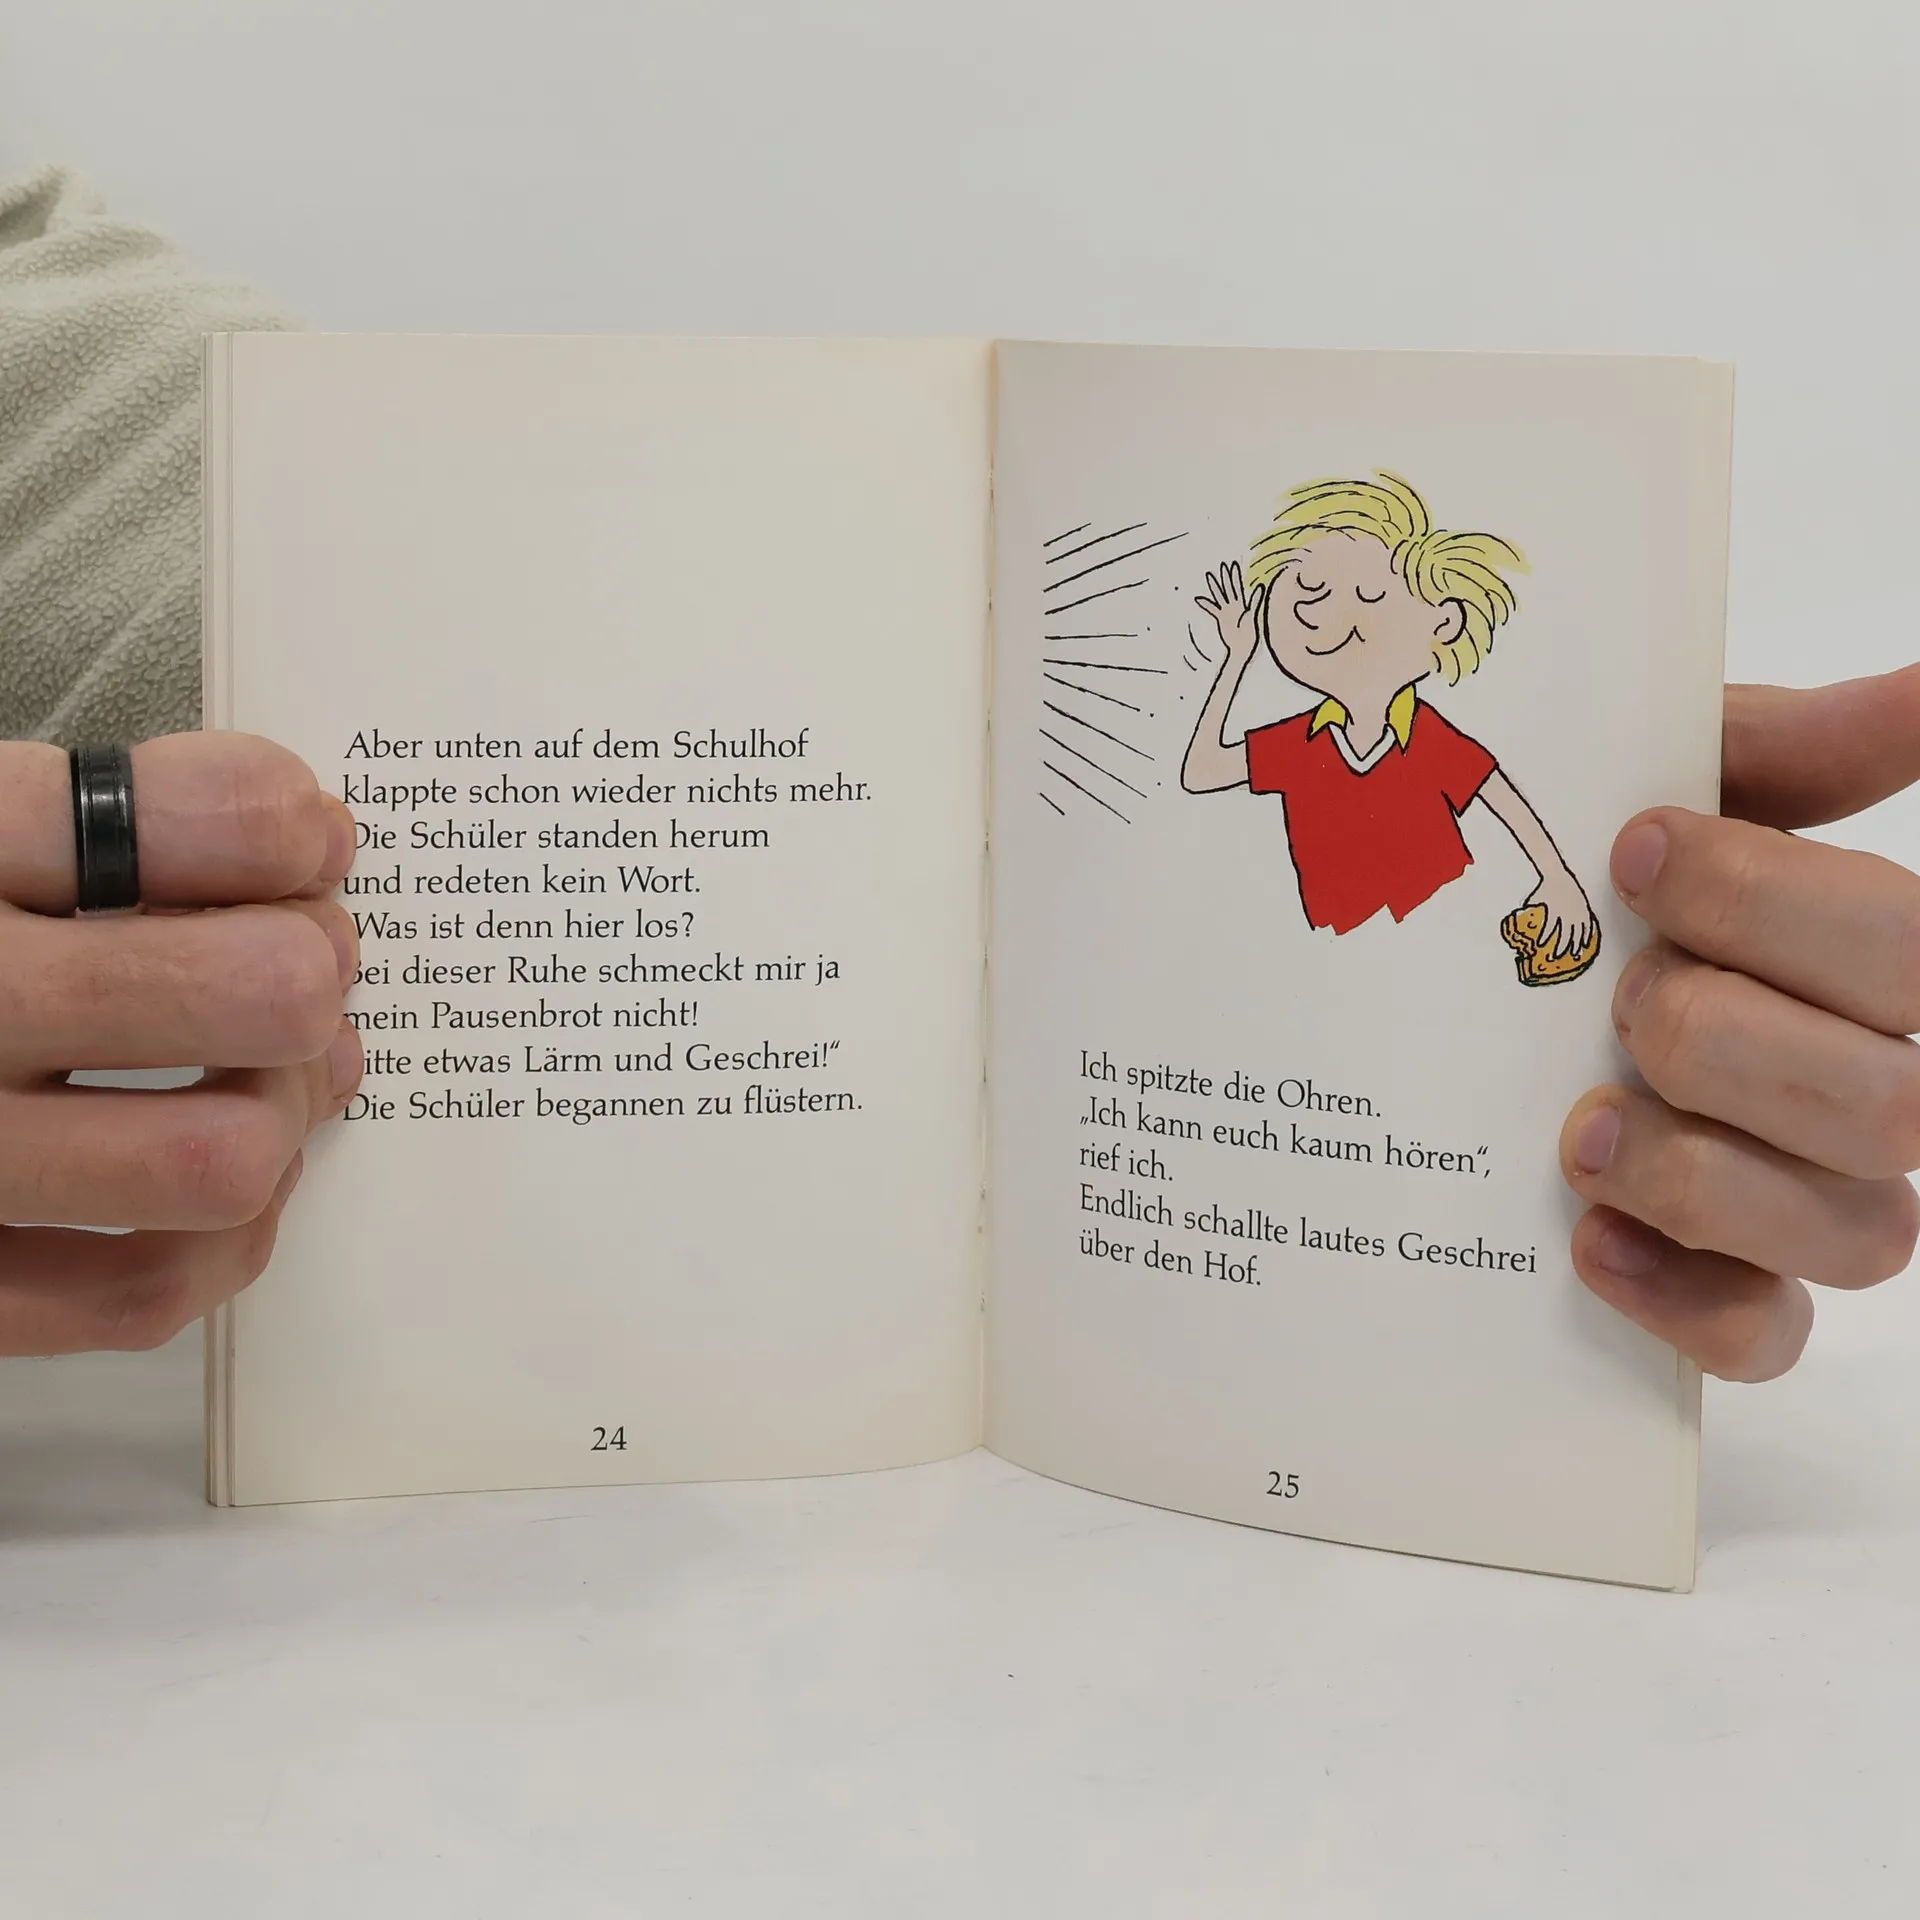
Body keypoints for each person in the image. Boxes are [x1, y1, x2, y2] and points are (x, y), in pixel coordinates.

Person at [4, 168, 1917, 1382]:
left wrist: (1590, 856)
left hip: (1402, 981)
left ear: (1430, 625)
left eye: (1351, 602)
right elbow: (1202, 768)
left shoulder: (1459, 744)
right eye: (1300, 596)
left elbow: (61, 356)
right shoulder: (1283, 720)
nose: (1318, 618)